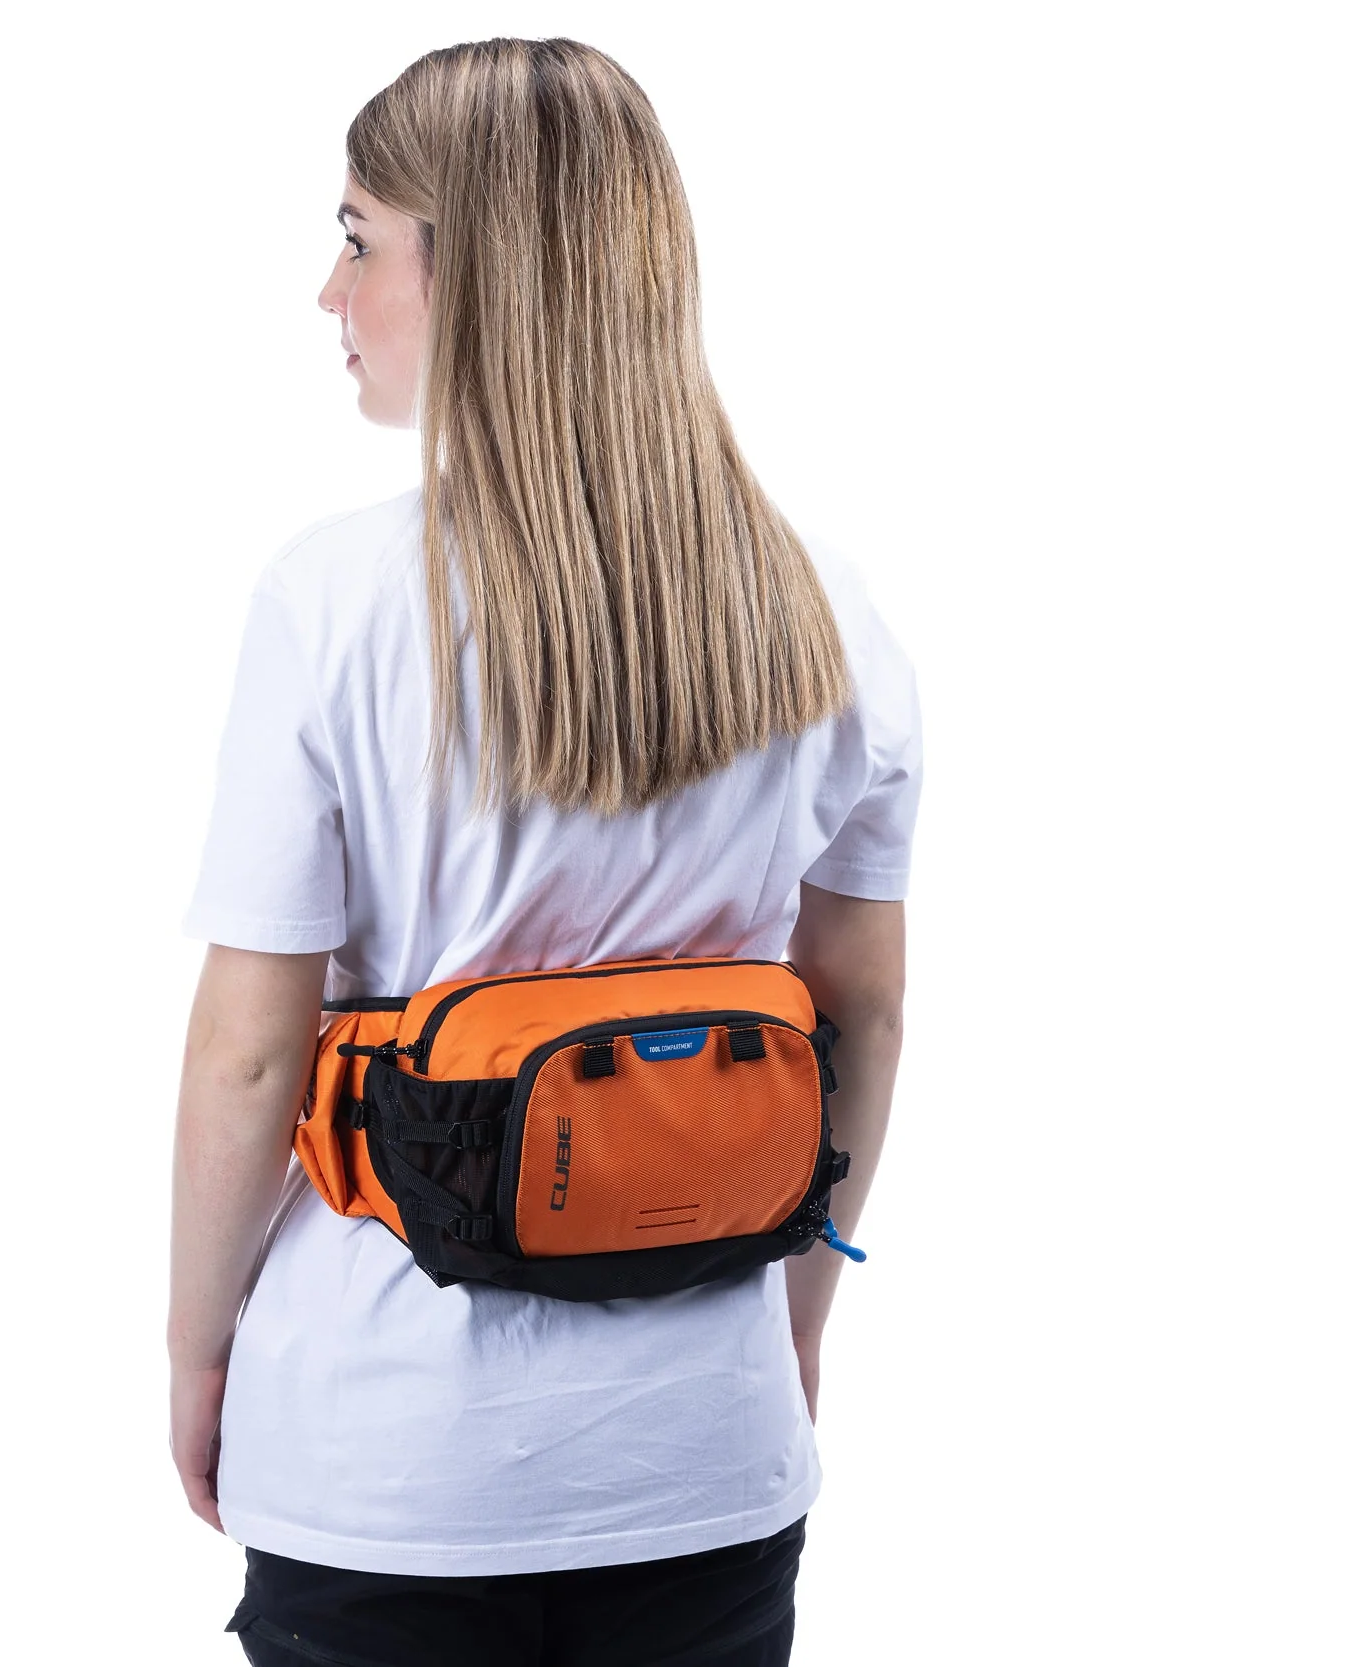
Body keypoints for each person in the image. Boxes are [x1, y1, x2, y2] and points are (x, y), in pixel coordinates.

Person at [168, 36, 919, 1667]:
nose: (329, 291)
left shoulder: (333, 603)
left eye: (359, 239)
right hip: (705, 1462)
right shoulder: (826, 612)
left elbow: (249, 1055)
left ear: (476, 270)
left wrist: (193, 1352)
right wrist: (795, 1332)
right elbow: (859, 1012)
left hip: (385, 1460)